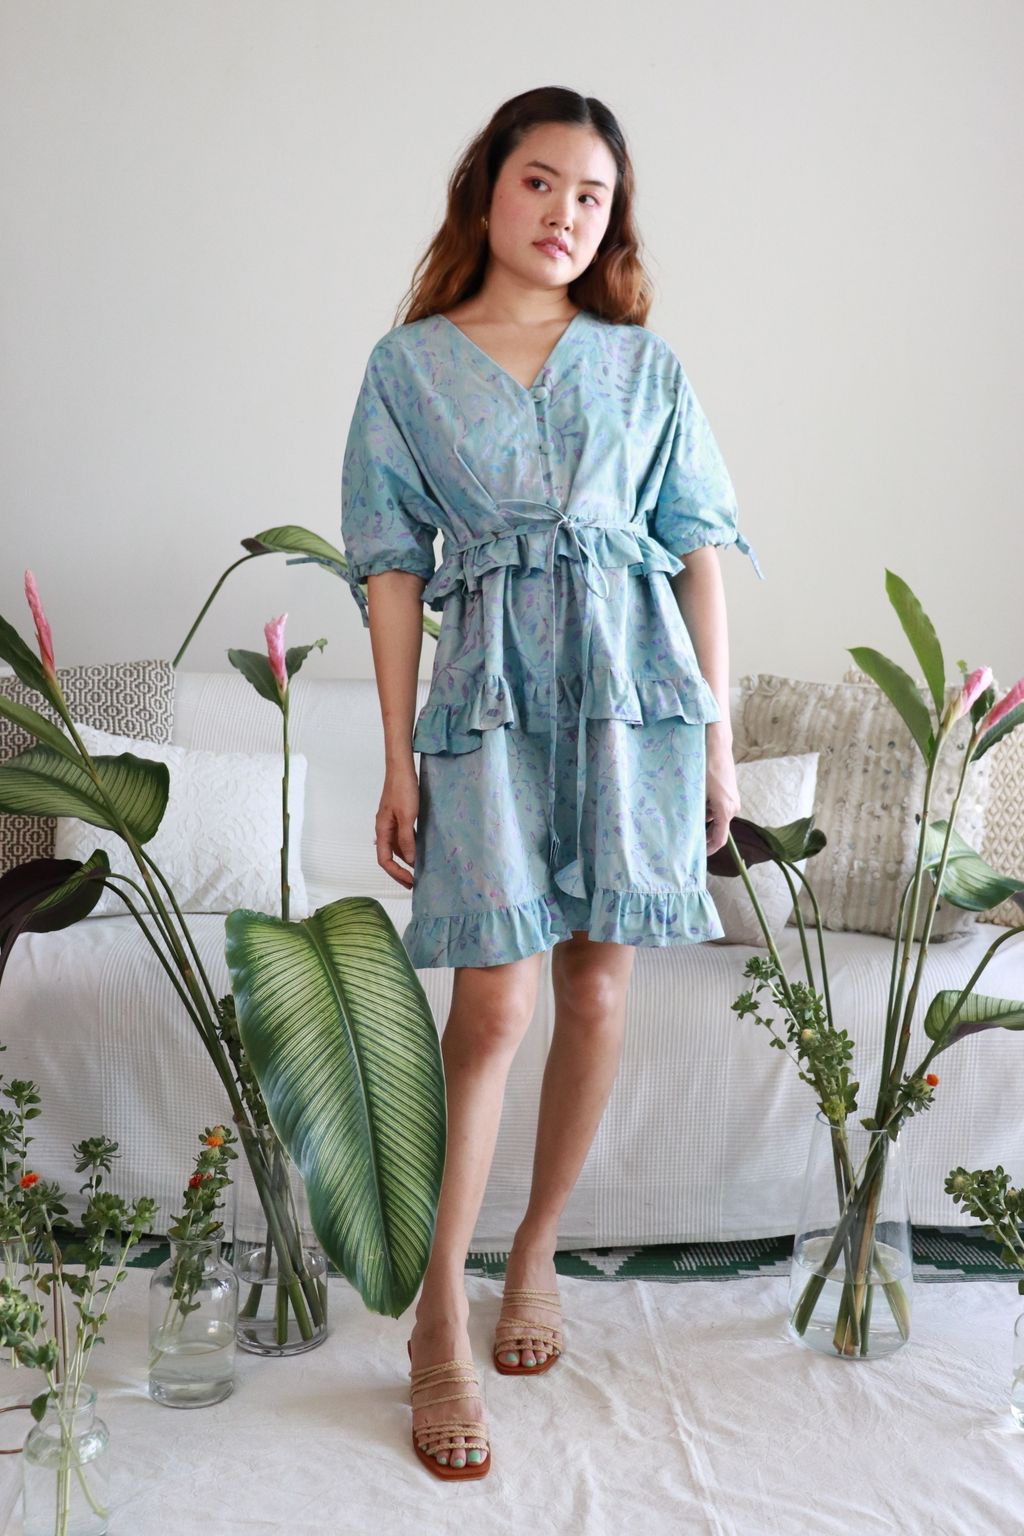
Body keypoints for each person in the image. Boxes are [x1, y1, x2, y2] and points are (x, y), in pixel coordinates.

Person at [340, 85, 764, 1480]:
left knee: (594, 989)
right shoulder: (407, 368)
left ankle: (535, 1257)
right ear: (486, 190)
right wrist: (397, 757)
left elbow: (697, 552)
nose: (565, 213)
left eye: (592, 195)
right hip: (491, 707)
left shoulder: (646, 368)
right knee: (495, 1006)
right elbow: (389, 572)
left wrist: (715, 743)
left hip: (633, 706)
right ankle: (437, 1322)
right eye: (541, 182)